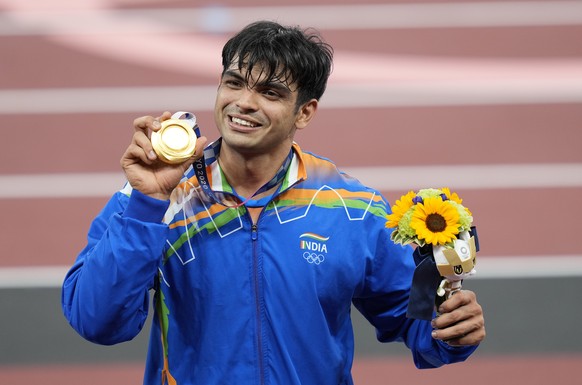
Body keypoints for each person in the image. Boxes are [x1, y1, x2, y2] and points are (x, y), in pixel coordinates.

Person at [61, 20, 485, 385]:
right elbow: (97, 322)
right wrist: (147, 204)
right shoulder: (156, 201)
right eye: (233, 82)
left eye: (270, 92)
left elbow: (411, 319)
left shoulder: (350, 208)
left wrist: (448, 328)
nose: (244, 102)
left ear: (305, 112)